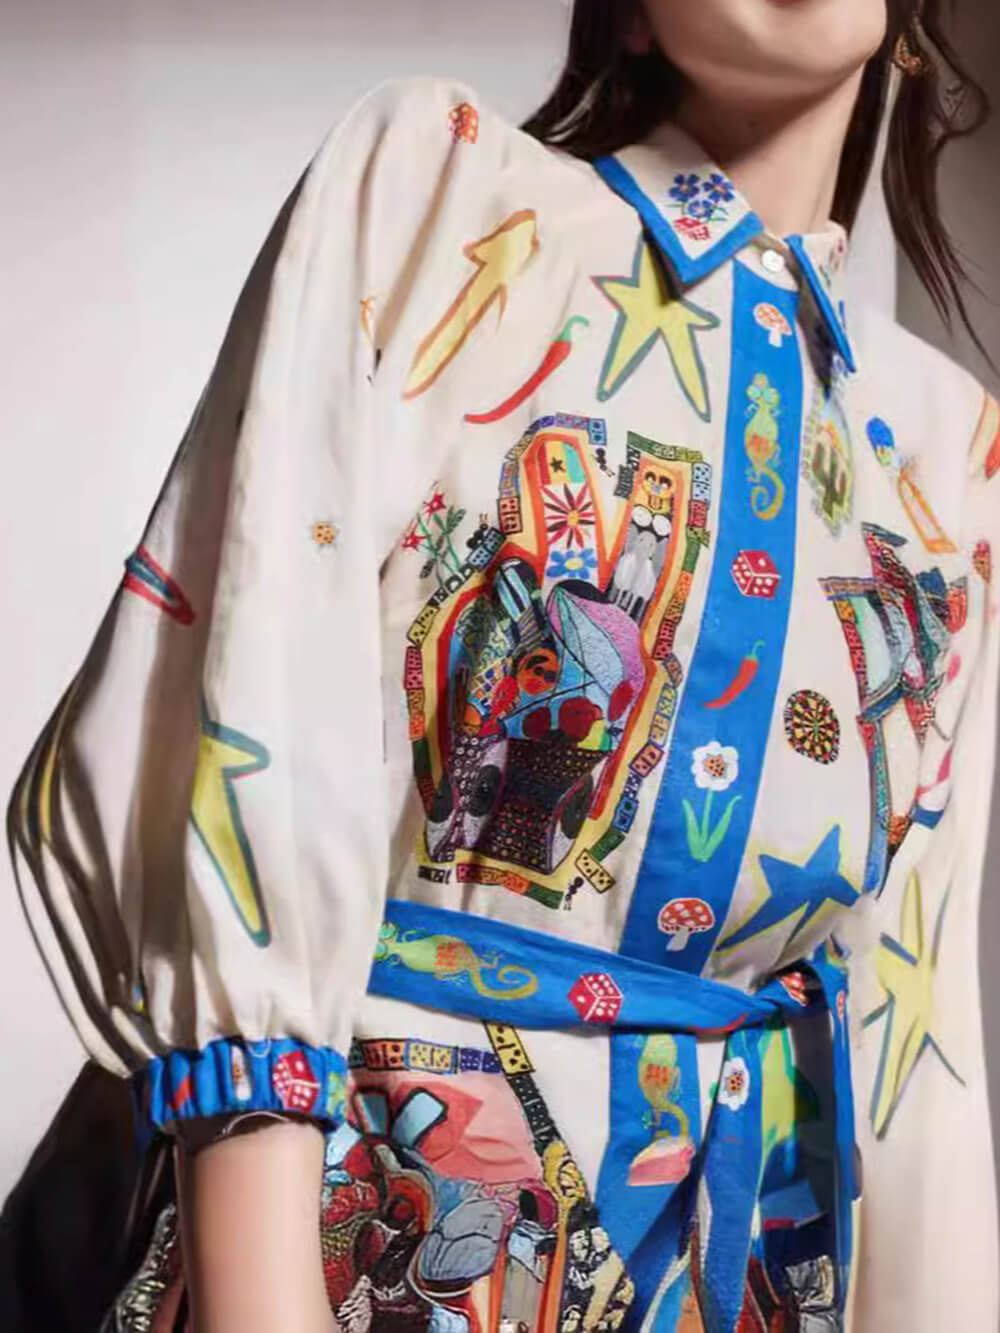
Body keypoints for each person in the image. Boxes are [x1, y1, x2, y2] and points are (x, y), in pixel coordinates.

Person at [8, 0, 998, 1329]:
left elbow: (914, 1058)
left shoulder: (943, 454)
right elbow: (255, 762)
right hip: (359, 1253)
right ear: (628, 16)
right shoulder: (444, 197)